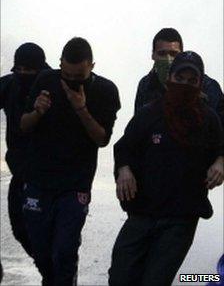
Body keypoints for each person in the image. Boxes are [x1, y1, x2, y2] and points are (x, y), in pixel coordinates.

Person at [109, 51, 224, 286]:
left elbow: (221, 148)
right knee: (120, 276)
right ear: (170, 78)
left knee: (155, 280)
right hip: (142, 212)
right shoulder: (149, 114)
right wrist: (124, 169)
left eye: (192, 81)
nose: (185, 85)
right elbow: (124, 148)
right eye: (180, 79)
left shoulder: (208, 120)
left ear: (200, 84)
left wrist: (220, 162)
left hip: (181, 218)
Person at [20, 37, 121, 286]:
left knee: (64, 251)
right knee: (41, 251)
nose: (72, 81)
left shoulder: (106, 90)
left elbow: (102, 139)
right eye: (66, 74)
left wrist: (81, 109)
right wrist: (37, 112)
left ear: (92, 66)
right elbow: (23, 125)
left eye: (79, 77)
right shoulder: (46, 80)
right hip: (38, 181)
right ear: (59, 65)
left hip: (75, 185)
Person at [0, 42, 50, 258]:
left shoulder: (55, 87)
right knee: (21, 229)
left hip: (51, 177)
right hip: (21, 172)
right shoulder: (10, 86)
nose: (23, 75)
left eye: (29, 71)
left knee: (52, 235)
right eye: (18, 70)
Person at [134, 28, 224, 127]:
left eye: (173, 54)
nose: (168, 60)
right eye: (162, 54)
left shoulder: (207, 86)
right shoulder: (146, 85)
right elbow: (137, 127)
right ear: (153, 55)